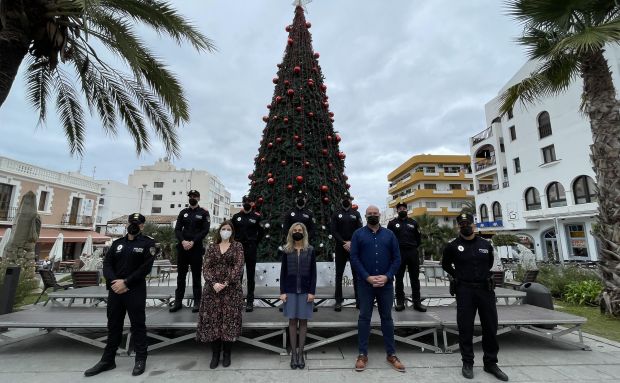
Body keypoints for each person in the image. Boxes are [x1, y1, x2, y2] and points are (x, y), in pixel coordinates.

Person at [84, 213, 155, 377]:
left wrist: (126, 282)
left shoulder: (148, 243)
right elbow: (107, 264)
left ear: (142, 226)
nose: (134, 225)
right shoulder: (117, 244)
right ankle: (107, 360)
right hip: (116, 290)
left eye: (138, 223)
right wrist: (115, 281)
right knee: (113, 325)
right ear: (127, 224)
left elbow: (145, 267)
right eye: (132, 222)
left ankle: (140, 358)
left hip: (134, 289)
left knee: (138, 324)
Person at [441, 212, 508, 381]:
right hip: (465, 290)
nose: (465, 226)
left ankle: (491, 363)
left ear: (474, 225)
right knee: (465, 328)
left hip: (486, 290)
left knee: (491, 327)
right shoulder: (453, 246)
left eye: (468, 223)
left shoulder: (485, 244)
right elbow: (445, 264)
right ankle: (467, 362)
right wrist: (457, 275)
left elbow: (490, 262)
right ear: (458, 226)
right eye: (462, 224)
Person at [350, 205, 405, 373]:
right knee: (364, 318)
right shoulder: (358, 234)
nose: (373, 216)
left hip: (386, 284)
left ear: (379, 215)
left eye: (375, 214)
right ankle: (362, 354)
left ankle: (391, 354)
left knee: (387, 318)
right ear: (365, 216)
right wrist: (367, 277)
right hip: (365, 284)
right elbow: (354, 257)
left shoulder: (389, 235)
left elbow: (397, 258)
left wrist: (387, 276)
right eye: (370, 214)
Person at [196, 221, 244, 369]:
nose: (226, 231)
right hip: (212, 290)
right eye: (223, 228)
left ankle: (227, 354)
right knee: (214, 321)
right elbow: (206, 267)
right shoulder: (211, 247)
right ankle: (215, 354)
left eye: (228, 229)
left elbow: (238, 266)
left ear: (232, 232)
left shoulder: (237, 246)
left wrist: (226, 282)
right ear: (219, 231)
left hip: (231, 290)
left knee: (229, 321)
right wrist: (213, 283)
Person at [279, 222, 317, 370]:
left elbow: (313, 273)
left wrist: (312, 292)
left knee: (303, 322)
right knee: (292, 322)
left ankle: (301, 353)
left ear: (304, 232)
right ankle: (293, 354)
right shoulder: (287, 250)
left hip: (306, 291)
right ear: (291, 233)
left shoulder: (310, 250)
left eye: (300, 230)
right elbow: (283, 273)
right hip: (290, 290)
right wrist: (282, 291)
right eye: (294, 230)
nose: (297, 232)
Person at [170, 190, 211, 313]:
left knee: (196, 277)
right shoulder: (183, 212)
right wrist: (183, 241)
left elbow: (205, 230)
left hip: (196, 248)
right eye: (190, 196)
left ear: (198, 198)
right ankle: (178, 302)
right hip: (183, 248)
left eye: (194, 196)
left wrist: (193, 242)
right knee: (180, 277)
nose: (192, 198)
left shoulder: (204, 213)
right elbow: (177, 229)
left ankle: (197, 302)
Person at [387, 201, 425, 312]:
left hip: (412, 252)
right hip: (399, 253)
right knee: (399, 278)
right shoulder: (392, 223)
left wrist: (412, 247)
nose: (402, 210)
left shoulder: (413, 223)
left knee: (415, 278)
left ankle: (417, 302)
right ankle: (400, 302)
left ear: (406, 210)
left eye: (404, 208)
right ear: (397, 211)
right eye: (400, 209)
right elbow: (389, 239)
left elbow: (418, 239)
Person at [330, 193, 362, 311]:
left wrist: (351, 243)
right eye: (344, 199)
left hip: (354, 248)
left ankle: (359, 300)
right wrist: (344, 242)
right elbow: (333, 231)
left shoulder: (356, 214)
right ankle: (338, 300)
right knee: (339, 275)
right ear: (341, 200)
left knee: (356, 274)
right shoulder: (336, 214)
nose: (346, 201)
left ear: (350, 200)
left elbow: (359, 230)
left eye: (347, 199)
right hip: (340, 248)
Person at [232, 196, 264, 312]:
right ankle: (237, 300)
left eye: (249, 201)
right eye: (244, 201)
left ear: (252, 203)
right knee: (238, 275)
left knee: (250, 276)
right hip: (238, 249)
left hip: (251, 248)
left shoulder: (256, 217)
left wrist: (254, 242)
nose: (246, 203)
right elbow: (231, 232)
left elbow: (261, 232)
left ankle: (250, 301)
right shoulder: (236, 217)